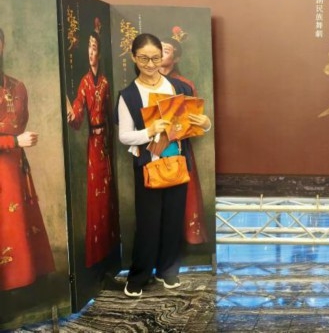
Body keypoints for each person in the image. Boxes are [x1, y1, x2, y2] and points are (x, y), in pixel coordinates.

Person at [116, 33, 211, 298]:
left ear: (162, 57)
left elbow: (193, 124)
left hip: (177, 162)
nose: (150, 64)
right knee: (148, 224)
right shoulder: (129, 95)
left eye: (155, 58)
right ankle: (138, 277)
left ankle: (168, 271)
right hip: (149, 166)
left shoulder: (179, 88)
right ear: (134, 58)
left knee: (173, 220)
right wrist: (150, 130)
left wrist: (205, 124)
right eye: (144, 58)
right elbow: (124, 136)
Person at [0, 27, 56, 290]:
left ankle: (24, 280)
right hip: (5, 160)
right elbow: (15, 134)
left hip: (16, 165)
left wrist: (17, 142)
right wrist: (13, 141)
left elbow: (21, 122)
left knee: (19, 220)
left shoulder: (17, 87)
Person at [67, 30, 120, 268]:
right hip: (94, 144)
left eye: (94, 47)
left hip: (107, 143)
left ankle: (111, 251)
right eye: (88, 47)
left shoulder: (106, 82)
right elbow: (78, 113)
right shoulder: (85, 82)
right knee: (97, 196)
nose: (91, 52)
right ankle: (96, 255)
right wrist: (72, 113)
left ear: (100, 52)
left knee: (109, 197)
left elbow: (111, 114)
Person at [159, 36, 208, 244]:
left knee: (184, 193)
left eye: (166, 50)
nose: (160, 53)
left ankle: (188, 238)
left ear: (176, 58)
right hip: (154, 145)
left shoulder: (186, 85)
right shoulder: (147, 83)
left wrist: (202, 123)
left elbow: (194, 120)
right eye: (158, 49)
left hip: (180, 144)